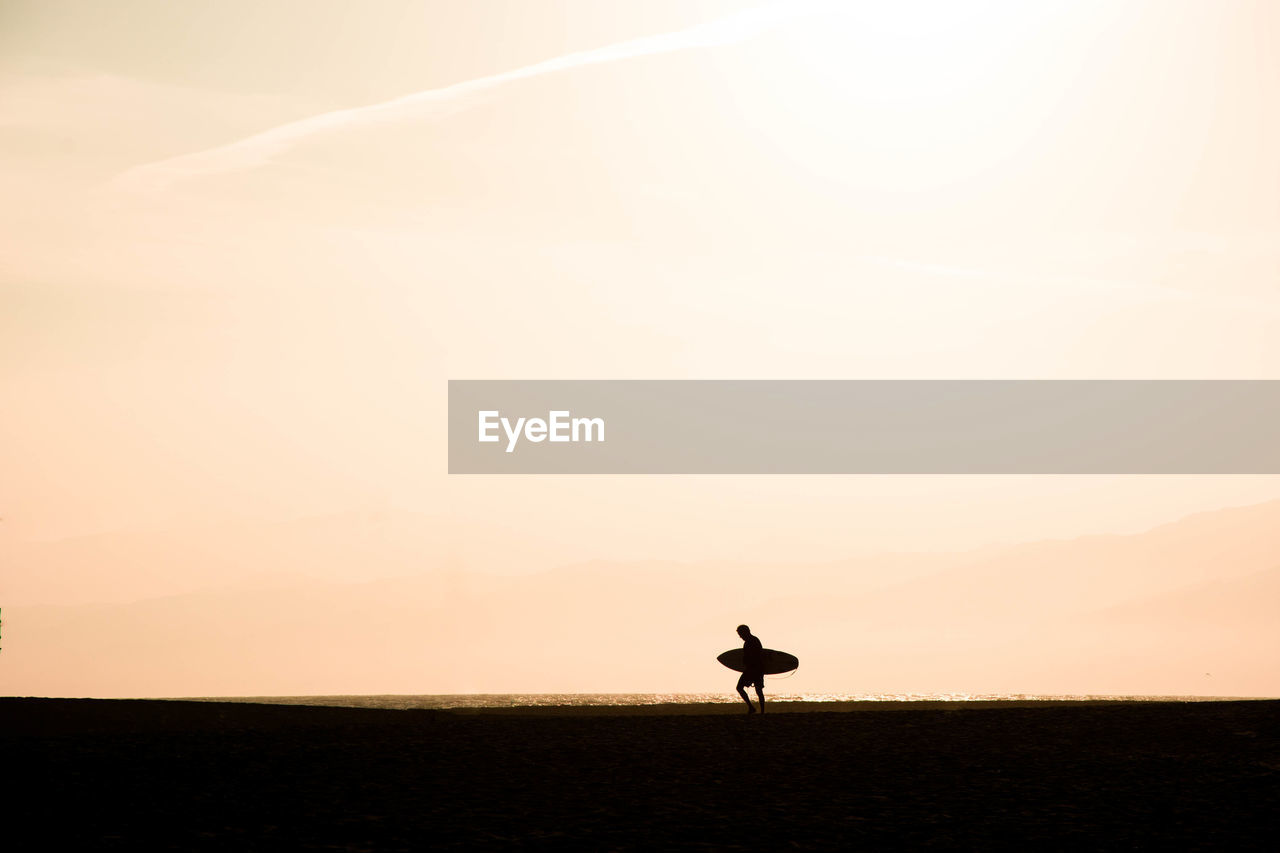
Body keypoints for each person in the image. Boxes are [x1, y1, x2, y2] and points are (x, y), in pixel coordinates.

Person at [735, 624, 765, 714]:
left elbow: (756, 655)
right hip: (755, 669)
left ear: (745, 632)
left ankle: (757, 710)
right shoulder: (751, 640)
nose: (740, 636)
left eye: (740, 634)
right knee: (757, 690)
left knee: (756, 690)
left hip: (754, 669)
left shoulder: (752, 641)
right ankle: (756, 709)